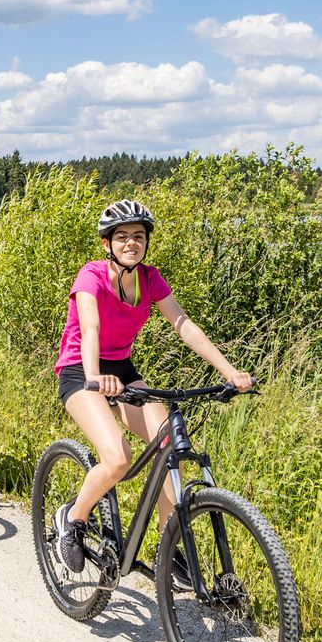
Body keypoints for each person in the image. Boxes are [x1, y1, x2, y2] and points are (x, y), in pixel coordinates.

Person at [51, 200, 253, 575]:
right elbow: (90, 330)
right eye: (122, 237)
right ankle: (72, 519)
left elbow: (183, 324)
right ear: (107, 243)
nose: (132, 243)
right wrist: (96, 378)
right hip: (82, 370)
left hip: (122, 370)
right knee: (117, 458)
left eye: (138, 237)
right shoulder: (90, 277)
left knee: (168, 442)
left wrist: (230, 371)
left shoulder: (149, 278)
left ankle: (167, 543)